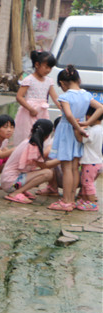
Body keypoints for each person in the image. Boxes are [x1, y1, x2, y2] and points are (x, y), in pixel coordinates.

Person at [49, 65, 103, 211]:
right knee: (74, 167)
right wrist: (86, 123)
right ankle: (72, 198)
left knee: (66, 167)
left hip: (68, 130)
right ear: (78, 79)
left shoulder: (65, 97)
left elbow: (68, 114)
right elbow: (100, 108)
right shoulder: (86, 94)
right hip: (78, 131)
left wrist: (77, 127)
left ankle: (66, 201)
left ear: (62, 83)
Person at [1, 119, 59, 205]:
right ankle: (16, 192)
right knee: (47, 173)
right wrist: (62, 159)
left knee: (45, 172)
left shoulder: (28, 142)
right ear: (47, 136)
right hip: (11, 184)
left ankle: (20, 190)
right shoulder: (33, 146)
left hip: (9, 181)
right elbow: (44, 166)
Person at [11, 51, 59, 148]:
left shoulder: (49, 81)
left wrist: (64, 109)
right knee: (28, 135)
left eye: (50, 68)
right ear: (37, 64)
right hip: (29, 113)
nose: (48, 70)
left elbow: (55, 98)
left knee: (43, 136)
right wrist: (30, 109)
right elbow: (19, 97)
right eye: (46, 67)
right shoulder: (29, 79)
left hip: (42, 112)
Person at [78, 117, 103, 212]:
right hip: (97, 161)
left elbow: (81, 139)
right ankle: (85, 200)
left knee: (88, 183)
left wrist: (79, 129)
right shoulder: (101, 129)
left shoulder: (91, 131)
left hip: (90, 161)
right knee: (86, 182)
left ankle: (92, 203)